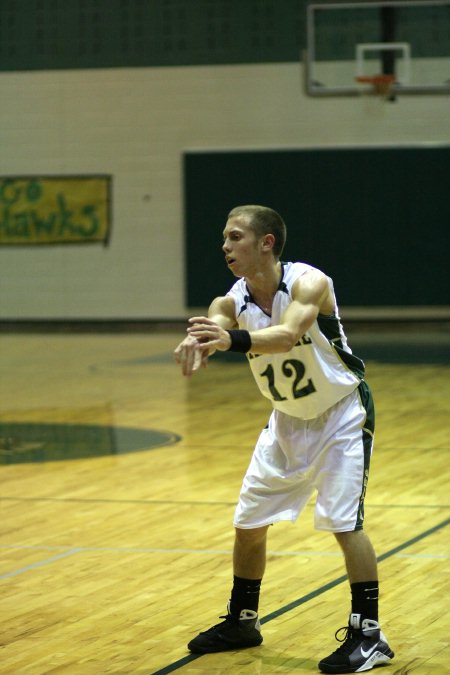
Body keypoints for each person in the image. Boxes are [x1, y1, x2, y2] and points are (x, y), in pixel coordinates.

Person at [174, 205, 394, 673]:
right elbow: (219, 313)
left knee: (343, 524)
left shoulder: (309, 283)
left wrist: (226, 341)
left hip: (341, 416)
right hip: (286, 421)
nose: (225, 246)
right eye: (224, 239)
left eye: (235, 237)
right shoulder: (236, 296)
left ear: (267, 242)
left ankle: (369, 635)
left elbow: (286, 334)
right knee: (248, 522)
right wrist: (203, 335)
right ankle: (242, 621)